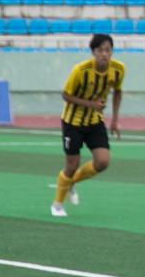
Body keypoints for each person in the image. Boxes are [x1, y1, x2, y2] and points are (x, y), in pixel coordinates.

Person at [51, 33, 125, 217]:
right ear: (93, 52)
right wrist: (91, 104)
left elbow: (117, 92)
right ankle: (57, 205)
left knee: (103, 162)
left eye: (108, 50)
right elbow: (65, 95)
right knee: (71, 164)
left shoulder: (118, 69)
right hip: (72, 122)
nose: (105, 54)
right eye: (100, 50)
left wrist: (115, 119)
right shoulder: (80, 70)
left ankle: (71, 183)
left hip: (94, 122)